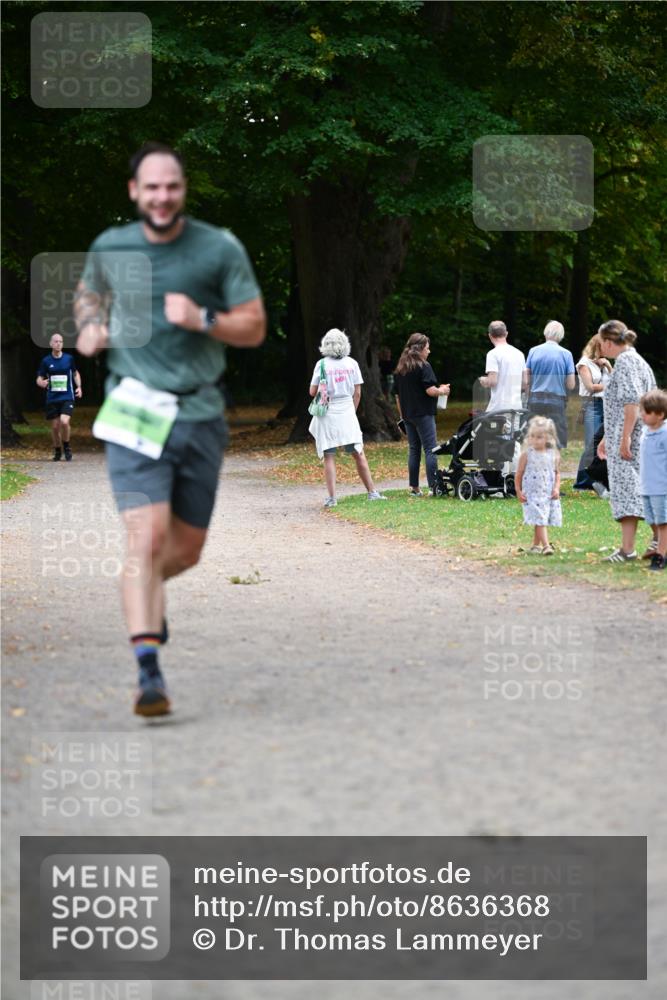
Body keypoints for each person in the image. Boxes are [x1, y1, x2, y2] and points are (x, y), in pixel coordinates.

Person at [75, 142, 266, 716]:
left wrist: (205, 318)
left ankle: (145, 594)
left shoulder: (217, 247)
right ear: (134, 192)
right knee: (147, 539)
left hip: (200, 412)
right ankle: (148, 673)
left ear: (183, 189)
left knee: (185, 551)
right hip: (132, 409)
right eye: (151, 187)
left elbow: (253, 326)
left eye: (172, 187)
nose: (162, 197)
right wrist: (90, 330)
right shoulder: (111, 246)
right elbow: (87, 300)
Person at [596, 320, 656, 564]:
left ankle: (628, 549)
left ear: (610, 342)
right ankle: (653, 542)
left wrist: (624, 437)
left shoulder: (625, 361)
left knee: (629, 492)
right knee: (641, 491)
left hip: (631, 440)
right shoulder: (637, 359)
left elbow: (632, 403)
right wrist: (606, 439)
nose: (601, 349)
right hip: (635, 437)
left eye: (602, 344)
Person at [308, 328, 386, 508]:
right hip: (347, 412)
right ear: (345, 344)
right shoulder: (352, 363)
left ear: (325, 344)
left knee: (329, 455)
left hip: (327, 413)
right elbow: (357, 393)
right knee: (358, 453)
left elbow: (312, 392)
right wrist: (352, 411)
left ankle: (332, 498)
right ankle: (372, 492)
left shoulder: (321, 365)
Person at [393, 332, 450, 496]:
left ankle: (414, 487)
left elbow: (397, 396)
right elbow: (430, 390)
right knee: (431, 449)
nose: (429, 351)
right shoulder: (424, 366)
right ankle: (434, 487)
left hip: (408, 415)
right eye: (427, 348)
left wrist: (402, 415)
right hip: (424, 414)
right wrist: (443, 390)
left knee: (414, 450)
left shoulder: (400, 368)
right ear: (420, 349)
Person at [515, 415, 562, 556]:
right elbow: (519, 474)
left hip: (547, 494)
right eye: (532, 436)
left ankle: (535, 545)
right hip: (532, 494)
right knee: (540, 518)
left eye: (539, 437)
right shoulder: (526, 455)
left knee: (540, 518)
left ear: (548, 437)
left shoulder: (553, 455)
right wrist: (518, 490)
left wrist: (556, 488)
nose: (534, 440)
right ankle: (546, 546)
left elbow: (557, 473)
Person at [525, 320, 576, 447]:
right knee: (556, 438)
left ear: (546, 333)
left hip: (535, 399)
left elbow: (526, 380)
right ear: (561, 335)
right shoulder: (566, 354)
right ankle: (554, 465)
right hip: (556, 401)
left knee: (534, 435)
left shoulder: (533, 351)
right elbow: (571, 385)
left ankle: (534, 463)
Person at [573, 334, 612, 494]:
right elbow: (590, 387)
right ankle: (582, 481)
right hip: (593, 406)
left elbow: (617, 380)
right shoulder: (584, 363)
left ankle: (600, 479)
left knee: (605, 444)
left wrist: (609, 366)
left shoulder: (603, 363)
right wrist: (609, 385)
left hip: (607, 406)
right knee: (591, 445)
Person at [36, 332, 82, 461]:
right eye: (56, 341)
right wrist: (41, 383)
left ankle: (66, 446)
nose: (58, 343)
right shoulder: (46, 361)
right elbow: (39, 378)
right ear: (51, 344)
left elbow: (75, 373)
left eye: (60, 341)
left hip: (67, 396)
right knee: (55, 427)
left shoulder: (69, 359)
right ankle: (57, 450)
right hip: (52, 398)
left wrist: (79, 387)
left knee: (64, 421)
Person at [638, 389, 667, 572]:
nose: (643, 415)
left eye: (647, 412)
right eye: (643, 411)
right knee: (652, 519)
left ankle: (661, 554)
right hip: (647, 486)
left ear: (660, 415)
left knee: (663, 522)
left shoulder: (664, 434)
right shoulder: (645, 431)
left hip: (661, 487)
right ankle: (660, 547)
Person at [478, 320, 526, 412]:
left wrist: (484, 380)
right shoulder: (519, 354)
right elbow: (524, 383)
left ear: (490, 336)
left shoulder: (493, 354)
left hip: (499, 408)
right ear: (506, 334)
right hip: (517, 407)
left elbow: (492, 381)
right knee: (514, 427)